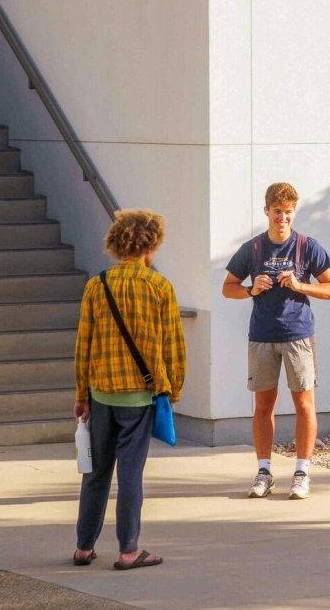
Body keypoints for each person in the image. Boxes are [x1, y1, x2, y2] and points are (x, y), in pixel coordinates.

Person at [72, 209, 186, 569]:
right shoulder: (159, 286)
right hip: (139, 397)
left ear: (117, 243)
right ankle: (128, 550)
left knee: (95, 474)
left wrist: (81, 395)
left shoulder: (97, 284)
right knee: (130, 476)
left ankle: (84, 547)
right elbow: (173, 346)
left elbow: (83, 346)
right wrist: (172, 391)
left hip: (101, 395)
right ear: (150, 245)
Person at [222, 182, 330, 500]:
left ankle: (302, 472)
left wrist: (301, 285)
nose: (282, 218)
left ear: (294, 212)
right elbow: (228, 287)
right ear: (266, 211)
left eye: (288, 213)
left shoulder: (307, 246)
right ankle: (264, 471)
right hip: (261, 335)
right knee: (263, 406)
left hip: (298, 335)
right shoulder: (253, 249)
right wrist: (251, 288)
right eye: (277, 212)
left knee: (304, 404)